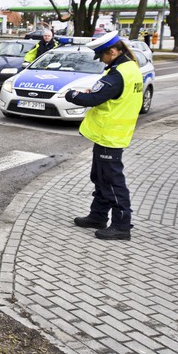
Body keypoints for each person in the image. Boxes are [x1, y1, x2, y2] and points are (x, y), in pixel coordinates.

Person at [64, 31, 143, 241]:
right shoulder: (130, 68)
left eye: (102, 56)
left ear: (113, 51)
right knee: (100, 178)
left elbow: (94, 99)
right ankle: (98, 216)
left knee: (113, 182)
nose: (101, 60)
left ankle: (121, 225)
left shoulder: (118, 75)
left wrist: (72, 94)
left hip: (111, 135)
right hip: (111, 134)